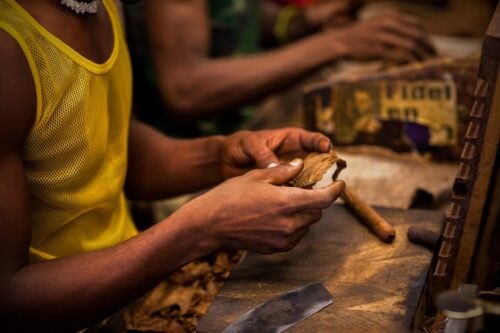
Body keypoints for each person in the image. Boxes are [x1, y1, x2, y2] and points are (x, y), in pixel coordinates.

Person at [0, 0, 345, 331]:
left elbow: (109, 149)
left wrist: (221, 156)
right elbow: (11, 301)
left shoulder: (103, 6)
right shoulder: (9, 49)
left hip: (134, 292)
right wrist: (203, 228)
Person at [127, 0, 435, 136]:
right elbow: (185, 90)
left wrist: (300, 22)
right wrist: (337, 43)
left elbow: (232, 12)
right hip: (192, 168)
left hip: (252, 125)